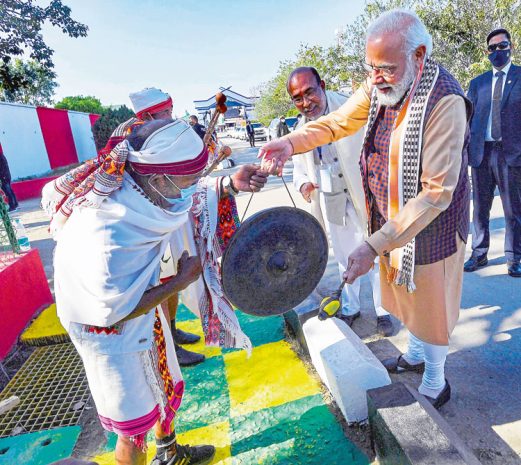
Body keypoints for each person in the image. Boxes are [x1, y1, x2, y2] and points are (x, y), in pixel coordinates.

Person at [260, 9, 472, 409]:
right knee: (407, 295)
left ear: (419, 56)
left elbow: (435, 194)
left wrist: (373, 245)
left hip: (431, 226)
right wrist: (291, 144)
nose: (375, 78)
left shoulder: (445, 102)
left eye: (385, 69)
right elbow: (337, 122)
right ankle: (414, 353)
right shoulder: (382, 84)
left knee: (430, 302)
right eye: (370, 68)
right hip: (391, 217)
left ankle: (436, 378)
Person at [49, 119, 267, 465]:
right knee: (133, 428)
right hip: (107, 332)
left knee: (163, 387)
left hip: (137, 312)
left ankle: (168, 453)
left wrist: (227, 184)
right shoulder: (109, 233)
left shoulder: (140, 186)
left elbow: (187, 197)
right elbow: (112, 312)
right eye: (189, 178)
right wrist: (180, 282)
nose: (195, 185)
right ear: (159, 178)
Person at [288, 66, 392, 336]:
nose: (305, 102)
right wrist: (303, 183)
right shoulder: (300, 128)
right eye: (297, 98)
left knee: (376, 252)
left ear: (321, 85)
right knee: (346, 256)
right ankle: (350, 307)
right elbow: (298, 169)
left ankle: (384, 311)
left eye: (309, 92)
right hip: (332, 198)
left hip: (365, 192)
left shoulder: (350, 106)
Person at [464, 28, 521, 278]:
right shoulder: (478, 83)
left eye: (502, 45)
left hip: (510, 154)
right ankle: (479, 253)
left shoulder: (520, 77)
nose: (497, 51)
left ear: (511, 47)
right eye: (492, 48)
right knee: (480, 210)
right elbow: (467, 118)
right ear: (487, 52)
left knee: (513, 210)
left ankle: (514, 257)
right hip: (482, 154)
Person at [0, 143, 18, 212]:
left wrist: (3, 176)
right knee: (10, 191)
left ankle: (12, 206)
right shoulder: (2, 157)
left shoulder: (1, 158)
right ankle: (15, 204)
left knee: (8, 192)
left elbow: (3, 168)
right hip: (6, 176)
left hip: (4, 176)